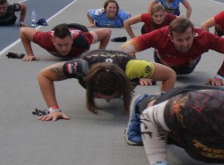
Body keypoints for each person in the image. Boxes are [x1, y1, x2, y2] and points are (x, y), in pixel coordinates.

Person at [34, 49, 176, 121]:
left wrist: (159, 109)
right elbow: (44, 75)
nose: (108, 100)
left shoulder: (133, 67)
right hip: (94, 59)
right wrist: (54, 109)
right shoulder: (80, 67)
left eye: (113, 96)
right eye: (101, 95)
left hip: (124, 62)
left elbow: (170, 75)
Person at [119, 17, 224, 86]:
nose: (185, 44)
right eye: (179, 40)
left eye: (188, 38)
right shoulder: (160, 35)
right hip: (163, 64)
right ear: (171, 37)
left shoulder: (204, 37)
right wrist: (139, 74)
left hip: (188, 67)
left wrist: (219, 77)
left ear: (193, 34)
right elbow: (125, 48)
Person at [19, 24, 111, 61]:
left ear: (71, 40)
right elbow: (23, 31)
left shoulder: (82, 39)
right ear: (53, 41)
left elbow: (107, 32)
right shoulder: (45, 39)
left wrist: (100, 53)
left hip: (78, 28)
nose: (63, 49)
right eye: (59, 45)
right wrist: (30, 54)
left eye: (66, 44)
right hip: (58, 28)